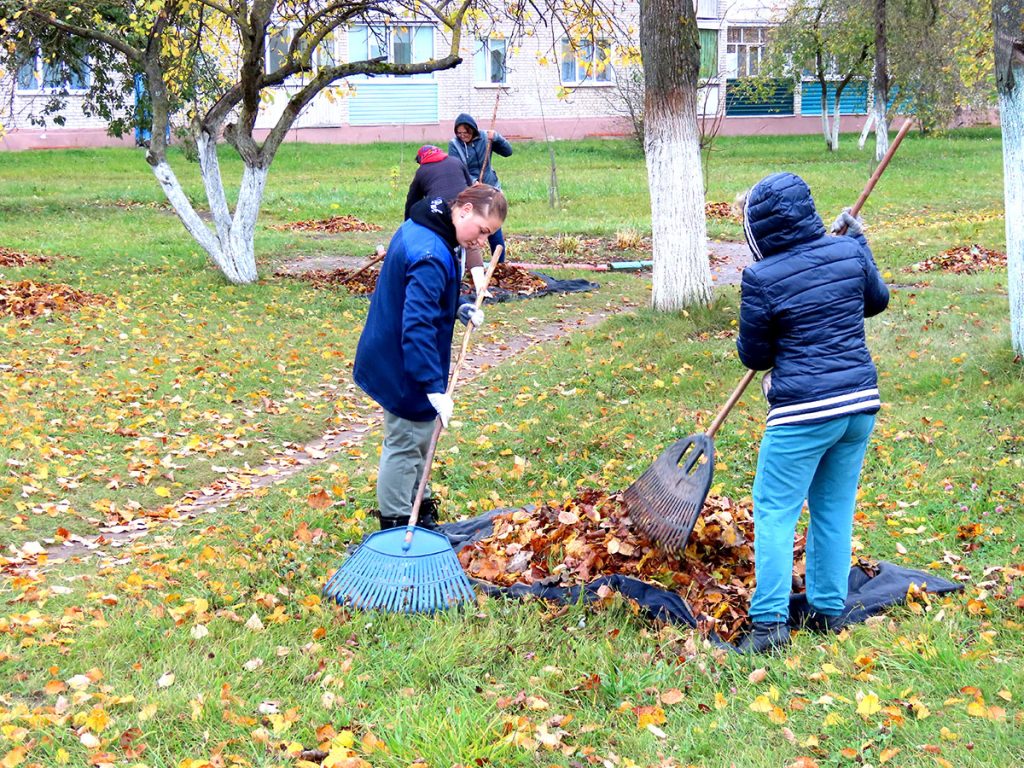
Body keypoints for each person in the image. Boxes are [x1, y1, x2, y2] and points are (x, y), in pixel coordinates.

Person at [735, 172, 889, 655]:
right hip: (859, 407)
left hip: (803, 413)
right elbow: (876, 301)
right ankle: (827, 610)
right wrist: (860, 244)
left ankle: (768, 627)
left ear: (758, 229)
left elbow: (755, 356)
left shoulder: (761, 278)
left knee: (775, 512)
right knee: (833, 508)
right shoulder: (846, 251)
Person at [354, 185, 508, 531]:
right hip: (403, 361)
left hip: (399, 351)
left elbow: (424, 296)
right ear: (465, 209)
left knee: (419, 434)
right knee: (406, 441)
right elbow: (418, 326)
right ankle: (395, 525)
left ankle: (418, 507)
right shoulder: (430, 253)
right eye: (482, 230)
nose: (482, 241)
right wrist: (431, 387)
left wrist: (458, 307)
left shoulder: (430, 225)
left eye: (489, 235)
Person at [404, 144, 489, 296]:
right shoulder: (456, 161)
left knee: (443, 243)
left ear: (421, 159)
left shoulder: (422, 171)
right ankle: (481, 287)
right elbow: (470, 186)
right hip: (465, 206)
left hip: (442, 211)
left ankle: (449, 283)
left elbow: (412, 202)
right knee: (472, 244)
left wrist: (406, 229)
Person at [448, 113, 512, 262]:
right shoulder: (455, 145)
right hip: (472, 191)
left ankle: (499, 264)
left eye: (466, 132)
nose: (462, 136)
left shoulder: (485, 138)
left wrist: (496, 137)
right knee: (471, 228)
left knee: (492, 227)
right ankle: (463, 264)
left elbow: (508, 152)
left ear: (473, 130)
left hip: (491, 189)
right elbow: (456, 167)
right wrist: (473, 182)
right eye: (459, 133)